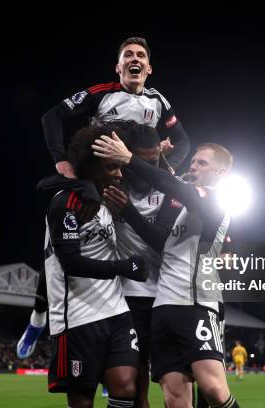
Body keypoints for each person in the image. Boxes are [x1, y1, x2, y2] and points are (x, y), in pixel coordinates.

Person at [93, 131, 239, 408]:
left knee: (214, 390)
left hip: (196, 302)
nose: (193, 166)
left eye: (202, 163)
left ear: (221, 173)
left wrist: (129, 159)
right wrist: (127, 211)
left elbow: (170, 184)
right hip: (163, 306)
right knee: (174, 398)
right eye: (193, 161)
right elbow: (160, 241)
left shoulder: (217, 201)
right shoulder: (183, 205)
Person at [41, 123, 149, 408]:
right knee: (82, 401)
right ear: (92, 166)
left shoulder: (105, 199)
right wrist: (124, 268)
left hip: (117, 311)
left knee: (127, 387)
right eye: (112, 167)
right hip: (77, 315)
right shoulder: (65, 202)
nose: (119, 173)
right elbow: (70, 263)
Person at [103, 122, 182, 408]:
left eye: (153, 160)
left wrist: (127, 210)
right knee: (131, 383)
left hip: (158, 295)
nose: (148, 167)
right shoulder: (111, 180)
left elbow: (161, 241)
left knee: (177, 379)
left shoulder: (170, 189)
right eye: (139, 161)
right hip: (117, 296)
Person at [42, 37, 189, 178]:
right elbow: (52, 116)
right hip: (105, 179)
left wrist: (170, 166)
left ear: (149, 68)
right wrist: (60, 159)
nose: (135, 58)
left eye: (141, 55)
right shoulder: (100, 94)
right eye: (128, 55)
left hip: (141, 181)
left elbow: (183, 140)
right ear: (118, 68)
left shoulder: (158, 100)